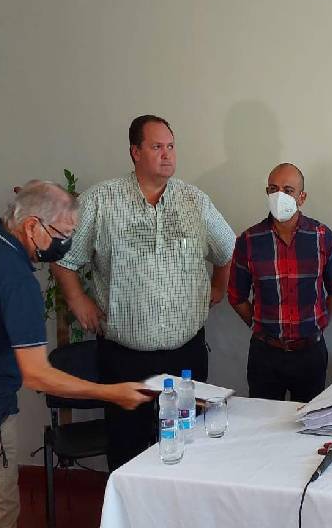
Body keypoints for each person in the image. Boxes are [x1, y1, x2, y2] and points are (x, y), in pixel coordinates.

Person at [51, 114, 236, 470]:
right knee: (127, 448)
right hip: (126, 356)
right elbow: (63, 258)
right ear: (135, 152)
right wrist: (78, 300)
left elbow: (227, 249)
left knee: (189, 447)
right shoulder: (101, 200)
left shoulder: (193, 201)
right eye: (156, 147)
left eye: (171, 146)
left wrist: (218, 287)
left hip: (186, 354)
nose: (167, 155)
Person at [0, 181, 148, 528]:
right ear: (32, 225)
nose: (66, 243)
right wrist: (111, 392)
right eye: (63, 233)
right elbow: (36, 375)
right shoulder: (17, 281)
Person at [228, 163, 332, 402]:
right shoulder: (249, 240)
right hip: (265, 354)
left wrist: (319, 324)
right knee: (263, 421)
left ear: (302, 197)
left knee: (310, 419)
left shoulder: (322, 236)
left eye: (288, 190)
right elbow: (236, 296)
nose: (279, 195)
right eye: (273, 189)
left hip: (310, 352)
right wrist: (260, 326)